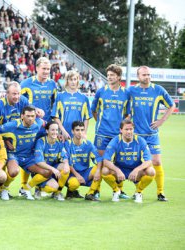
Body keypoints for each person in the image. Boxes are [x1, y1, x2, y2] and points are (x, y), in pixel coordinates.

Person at [129, 66, 175, 201]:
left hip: (151, 133)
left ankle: (160, 192)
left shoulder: (158, 90)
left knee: (156, 161)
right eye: (144, 75)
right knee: (134, 164)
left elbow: (171, 105)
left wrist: (161, 120)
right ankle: (129, 190)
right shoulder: (131, 90)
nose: (147, 77)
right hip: (136, 135)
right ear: (138, 76)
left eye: (148, 74)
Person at [91, 64, 130, 199]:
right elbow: (94, 110)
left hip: (117, 135)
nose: (109, 77)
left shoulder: (125, 93)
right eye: (108, 75)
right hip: (102, 133)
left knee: (118, 163)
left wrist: (121, 129)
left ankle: (119, 190)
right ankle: (96, 191)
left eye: (112, 75)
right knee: (100, 162)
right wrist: (101, 123)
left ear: (118, 77)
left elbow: (127, 114)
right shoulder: (101, 91)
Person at [20, 57, 57, 188]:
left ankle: (37, 185)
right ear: (37, 68)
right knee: (28, 155)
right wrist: (34, 110)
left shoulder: (53, 84)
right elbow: (20, 105)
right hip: (30, 126)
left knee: (42, 156)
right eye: (44, 69)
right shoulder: (26, 84)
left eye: (48, 69)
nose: (46, 71)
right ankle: (24, 185)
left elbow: (55, 105)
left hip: (45, 127)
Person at [0, 105, 45, 200]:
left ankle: (25, 189)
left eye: (33, 116)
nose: (30, 118)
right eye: (28, 116)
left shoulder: (38, 123)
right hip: (14, 155)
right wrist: (6, 141)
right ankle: (4, 189)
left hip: (29, 156)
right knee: (14, 171)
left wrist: (58, 134)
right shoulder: (13, 125)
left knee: (46, 172)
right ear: (22, 116)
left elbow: (47, 124)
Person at [102, 119, 155, 203]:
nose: (129, 132)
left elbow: (148, 161)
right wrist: (118, 170)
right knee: (105, 170)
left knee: (151, 171)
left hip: (135, 170)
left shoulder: (140, 140)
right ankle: (116, 191)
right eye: (126, 129)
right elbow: (106, 161)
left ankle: (138, 192)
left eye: (131, 129)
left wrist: (136, 170)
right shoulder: (115, 140)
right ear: (121, 130)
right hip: (120, 170)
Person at [64, 121, 102, 201]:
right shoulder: (67, 144)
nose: (80, 133)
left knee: (101, 168)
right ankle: (71, 191)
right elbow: (68, 163)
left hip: (85, 173)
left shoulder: (88, 144)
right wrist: (77, 175)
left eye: (82, 130)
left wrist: (98, 171)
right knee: (73, 184)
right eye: (77, 130)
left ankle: (90, 194)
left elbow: (98, 159)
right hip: (72, 174)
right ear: (72, 131)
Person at [33, 121, 70, 201]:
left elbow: (64, 156)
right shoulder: (41, 141)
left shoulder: (59, 142)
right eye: (52, 130)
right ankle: (38, 188)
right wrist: (53, 169)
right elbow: (39, 162)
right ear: (47, 131)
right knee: (52, 188)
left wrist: (66, 164)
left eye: (56, 130)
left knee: (66, 168)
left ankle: (57, 193)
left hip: (53, 170)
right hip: (42, 171)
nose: (55, 132)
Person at [51, 70, 92, 140]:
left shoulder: (84, 98)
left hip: (79, 135)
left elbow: (86, 118)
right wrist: (63, 131)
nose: (73, 82)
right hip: (64, 135)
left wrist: (84, 133)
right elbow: (55, 117)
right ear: (67, 81)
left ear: (77, 81)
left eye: (75, 79)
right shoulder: (60, 96)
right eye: (70, 79)